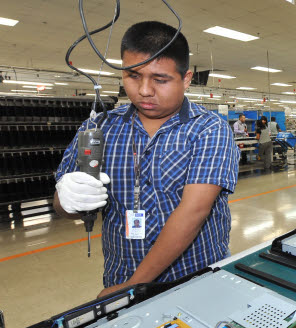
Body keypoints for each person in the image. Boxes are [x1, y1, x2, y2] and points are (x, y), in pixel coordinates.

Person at [53, 21, 239, 297]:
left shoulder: (208, 128)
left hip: (195, 275)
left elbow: (194, 212)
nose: (144, 90)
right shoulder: (99, 128)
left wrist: (133, 287)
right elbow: (62, 207)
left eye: (160, 80)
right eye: (133, 76)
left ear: (186, 78)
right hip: (121, 272)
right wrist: (68, 199)